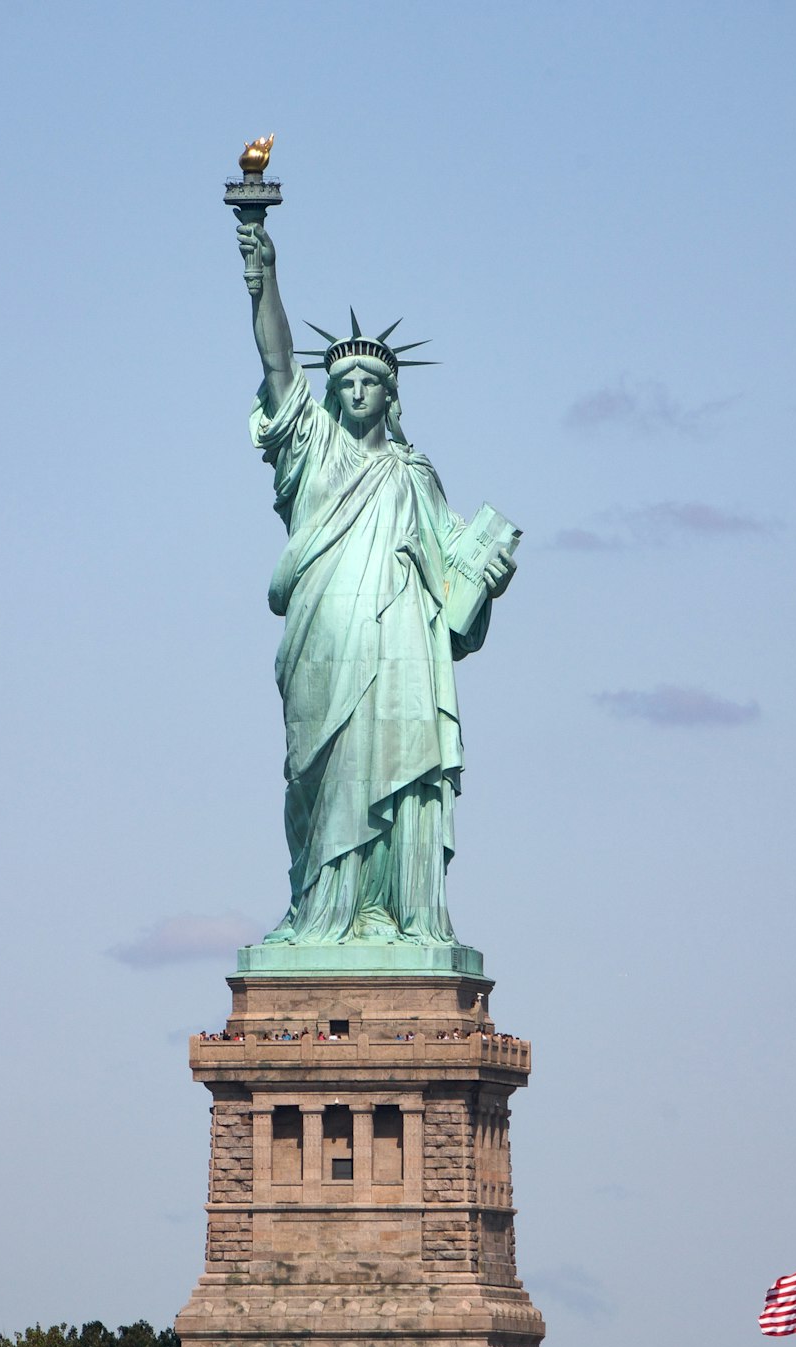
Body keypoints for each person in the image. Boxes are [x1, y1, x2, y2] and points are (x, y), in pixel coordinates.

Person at [236, 217, 515, 947]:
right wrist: (262, 277)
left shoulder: (412, 472)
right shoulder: (313, 448)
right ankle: (320, 910)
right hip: (324, 640)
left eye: (371, 383)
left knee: (390, 765)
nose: (357, 391)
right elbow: (276, 366)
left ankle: (387, 912)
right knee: (322, 773)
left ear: (391, 396)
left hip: (398, 653)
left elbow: (455, 554)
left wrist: (490, 567)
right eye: (345, 382)